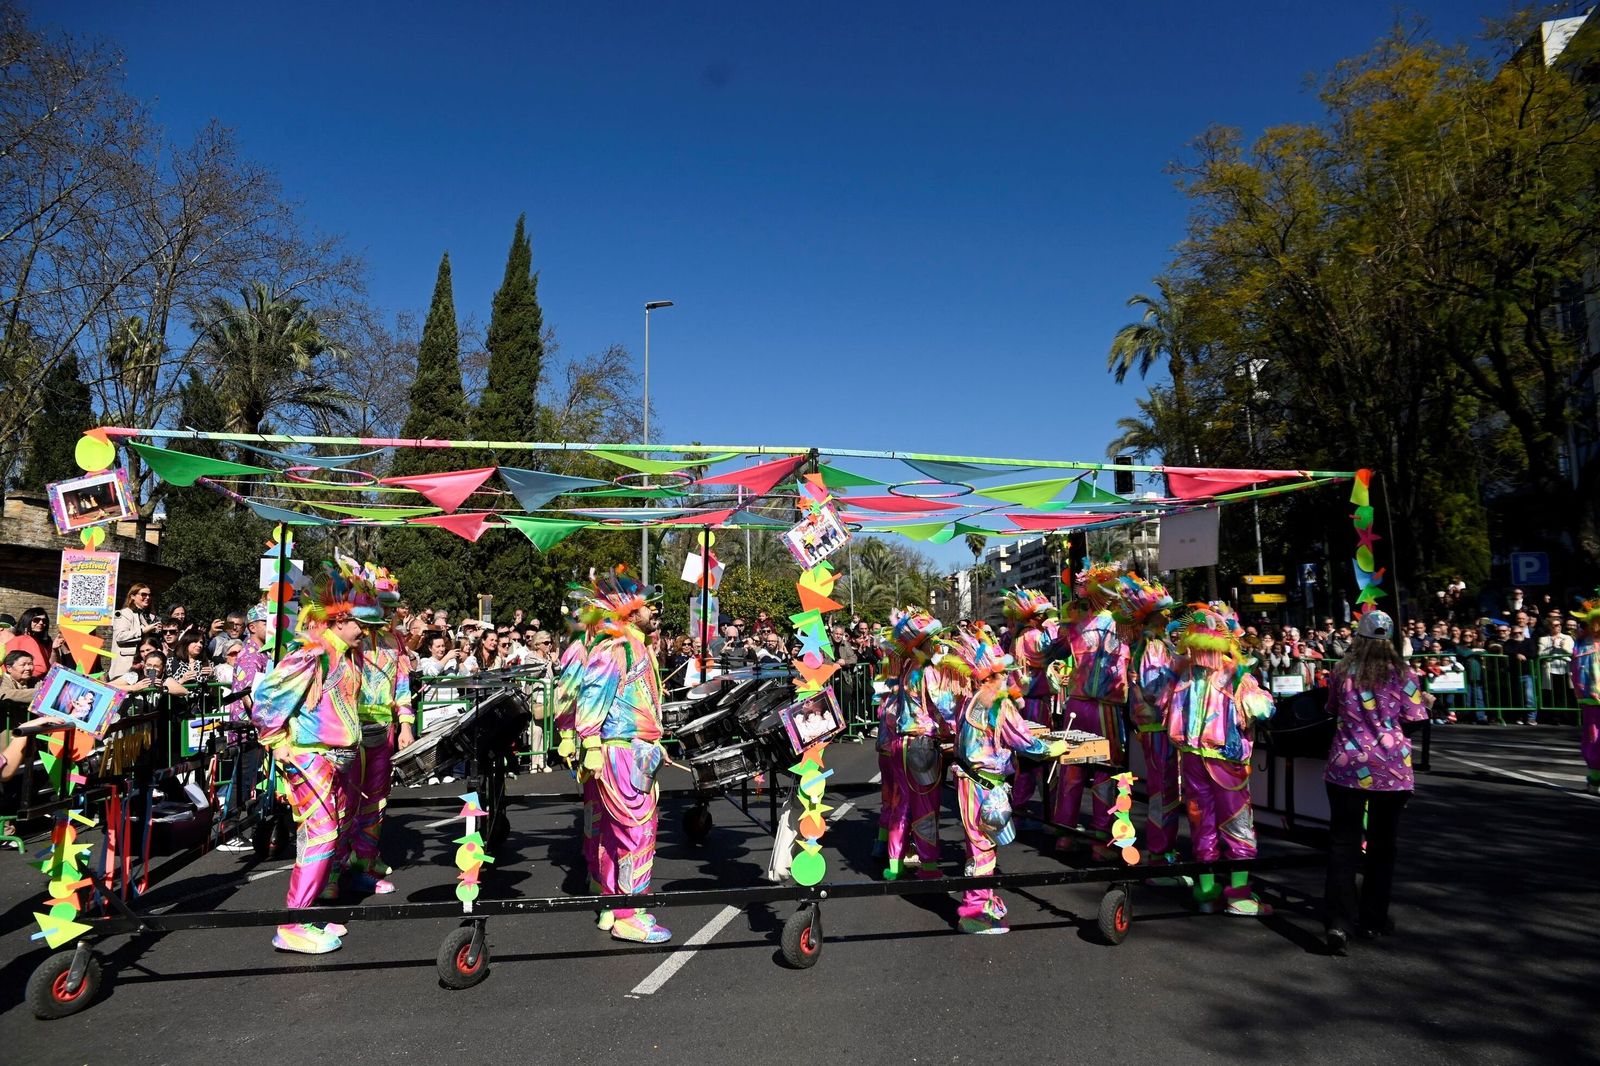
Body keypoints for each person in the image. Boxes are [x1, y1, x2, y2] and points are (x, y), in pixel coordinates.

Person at [249, 557, 383, 955]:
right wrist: (280, 744)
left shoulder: (348, 655)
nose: (368, 633)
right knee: (320, 836)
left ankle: (305, 915)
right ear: (340, 620)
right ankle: (292, 924)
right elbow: (268, 699)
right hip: (312, 759)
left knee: (334, 832)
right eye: (363, 625)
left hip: (338, 759)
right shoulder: (313, 652)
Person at [571, 567, 671, 944]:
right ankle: (630, 912)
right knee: (636, 831)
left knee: (620, 833)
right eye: (647, 606)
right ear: (630, 611)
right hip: (621, 751)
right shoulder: (615, 647)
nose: (653, 612)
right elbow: (591, 698)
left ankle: (615, 905)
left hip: (639, 750)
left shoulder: (637, 645)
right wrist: (591, 744)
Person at [1322, 609, 1431, 955]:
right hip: (1391, 770)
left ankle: (1339, 922)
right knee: (1383, 846)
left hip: (1347, 765)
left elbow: (1332, 709)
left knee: (1343, 844)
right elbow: (1414, 719)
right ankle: (1372, 918)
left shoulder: (1343, 671)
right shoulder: (1403, 674)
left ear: (1360, 637)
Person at [950, 622, 1070, 933]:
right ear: (990, 676)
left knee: (978, 845)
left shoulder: (971, 699)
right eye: (1003, 673)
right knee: (982, 848)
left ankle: (981, 902)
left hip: (969, 780)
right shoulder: (997, 702)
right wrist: (1051, 747)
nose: (1007, 677)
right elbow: (1024, 740)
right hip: (983, 783)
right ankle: (975, 912)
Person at [1163, 602, 1276, 916]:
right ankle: (1238, 896)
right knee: (1237, 824)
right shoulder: (1234, 673)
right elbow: (1261, 709)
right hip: (1226, 762)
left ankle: (1206, 892)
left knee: (1203, 825)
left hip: (1191, 758)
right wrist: (1264, 695)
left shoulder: (1182, 672)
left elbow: (1161, 703)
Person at [330, 558, 414, 898]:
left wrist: (405, 723)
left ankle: (364, 863)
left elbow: (402, 685)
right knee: (343, 803)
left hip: (383, 730)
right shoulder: (349, 641)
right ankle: (333, 871)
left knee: (376, 803)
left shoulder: (395, 642)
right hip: (350, 733)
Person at [1054, 564, 1131, 858]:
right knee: (1104, 771)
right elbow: (1122, 669)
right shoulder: (1119, 625)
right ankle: (1101, 838)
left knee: (1072, 771)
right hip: (1104, 709)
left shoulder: (1075, 626)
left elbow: (1056, 656)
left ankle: (1065, 833)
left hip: (1076, 705)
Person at [1113, 572, 1184, 880]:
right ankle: (1160, 854)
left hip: (1155, 729)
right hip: (1157, 729)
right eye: (1163, 614)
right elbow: (1156, 690)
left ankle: (1161, 850)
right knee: (1163, 792)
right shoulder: (1153, 647)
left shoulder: (1152, 645)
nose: (1168, 617)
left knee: (1163, 790)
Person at [879, 608, 949, 881]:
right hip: (921, 743)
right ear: (926, 642)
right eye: (934, 639)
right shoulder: (928, 670)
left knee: (902, 803)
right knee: (926, 806)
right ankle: (928, 866)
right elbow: (945, 709)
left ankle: (894, 864)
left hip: (900, 742)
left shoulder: (908, 666)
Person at [1000, 587, 1068, 828]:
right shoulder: (1031, 636)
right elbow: (1051, 646)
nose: (1044, 619)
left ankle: (1021, 806)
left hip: (1026, 702)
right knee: (1034, 756)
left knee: (1027, 758)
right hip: (1032, 704)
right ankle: (1028, 807)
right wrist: (1054, 625)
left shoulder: (1019, 636)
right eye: (1041, 616)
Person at [1571, 590, 1600, 795]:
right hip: (1593, 700)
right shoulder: (1582, 644)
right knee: (1594, 740)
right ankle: (1595, 778)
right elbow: (1577, 671)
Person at [11, 608, 55, 677]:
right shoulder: (19, 639)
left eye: (44, 621)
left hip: (44, 679)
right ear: (27, 621)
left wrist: (55, 650)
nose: (41, 623)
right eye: (36, 620)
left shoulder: (46, 641)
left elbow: (52, 665)